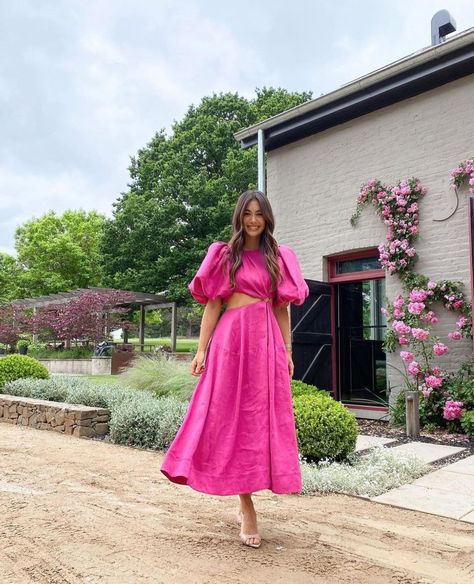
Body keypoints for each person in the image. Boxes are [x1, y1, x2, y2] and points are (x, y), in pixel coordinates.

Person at [160, 190, 309, 549]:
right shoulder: (225, 255)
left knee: (258, 420)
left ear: (267, 217)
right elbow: (213, 305)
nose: (253, 220)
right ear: (239, 218)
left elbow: (280, 309)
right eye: (247, 214)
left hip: (266, 343)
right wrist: (200, 349)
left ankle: (248, 499)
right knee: (227, 417)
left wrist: (288, 350)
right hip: (231, 341)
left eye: (259, 214)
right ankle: (246, 503)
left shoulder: (280, 256)